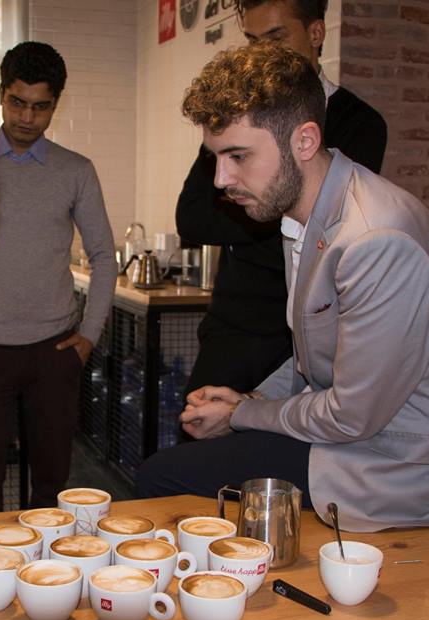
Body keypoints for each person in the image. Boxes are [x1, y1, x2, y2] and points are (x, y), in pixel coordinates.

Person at [137, 42, 429, 532]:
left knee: (163, 479)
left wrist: (242, 414)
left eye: (238, 156)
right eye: (215, 157)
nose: (221, 179)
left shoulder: (376, 240)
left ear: (304, 141)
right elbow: (312, 357)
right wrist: (250, 401)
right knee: (186, 460)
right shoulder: (304, 216)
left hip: (405, 466)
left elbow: (351, 415)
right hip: (358, 439)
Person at [0, 42, 117, 513]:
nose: (27, 118)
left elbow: (103, 257)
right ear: (0, 95)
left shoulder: (76, 171)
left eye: (40, 107)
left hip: (54, 351)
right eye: (17, 102)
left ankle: (50, 584)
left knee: (52, 490)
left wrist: (89, 335)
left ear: (55, 104)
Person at [176, 0, 387, 398]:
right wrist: (270, 214)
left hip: (313, 331)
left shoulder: (359, 123)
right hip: (236, 326)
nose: (264, 55)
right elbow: (192, 219)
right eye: (253, 41)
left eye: (276, 37)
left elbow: (328, 227)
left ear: (316, 33)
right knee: (197, 440)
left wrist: (245, 221)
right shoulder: (238, 117)